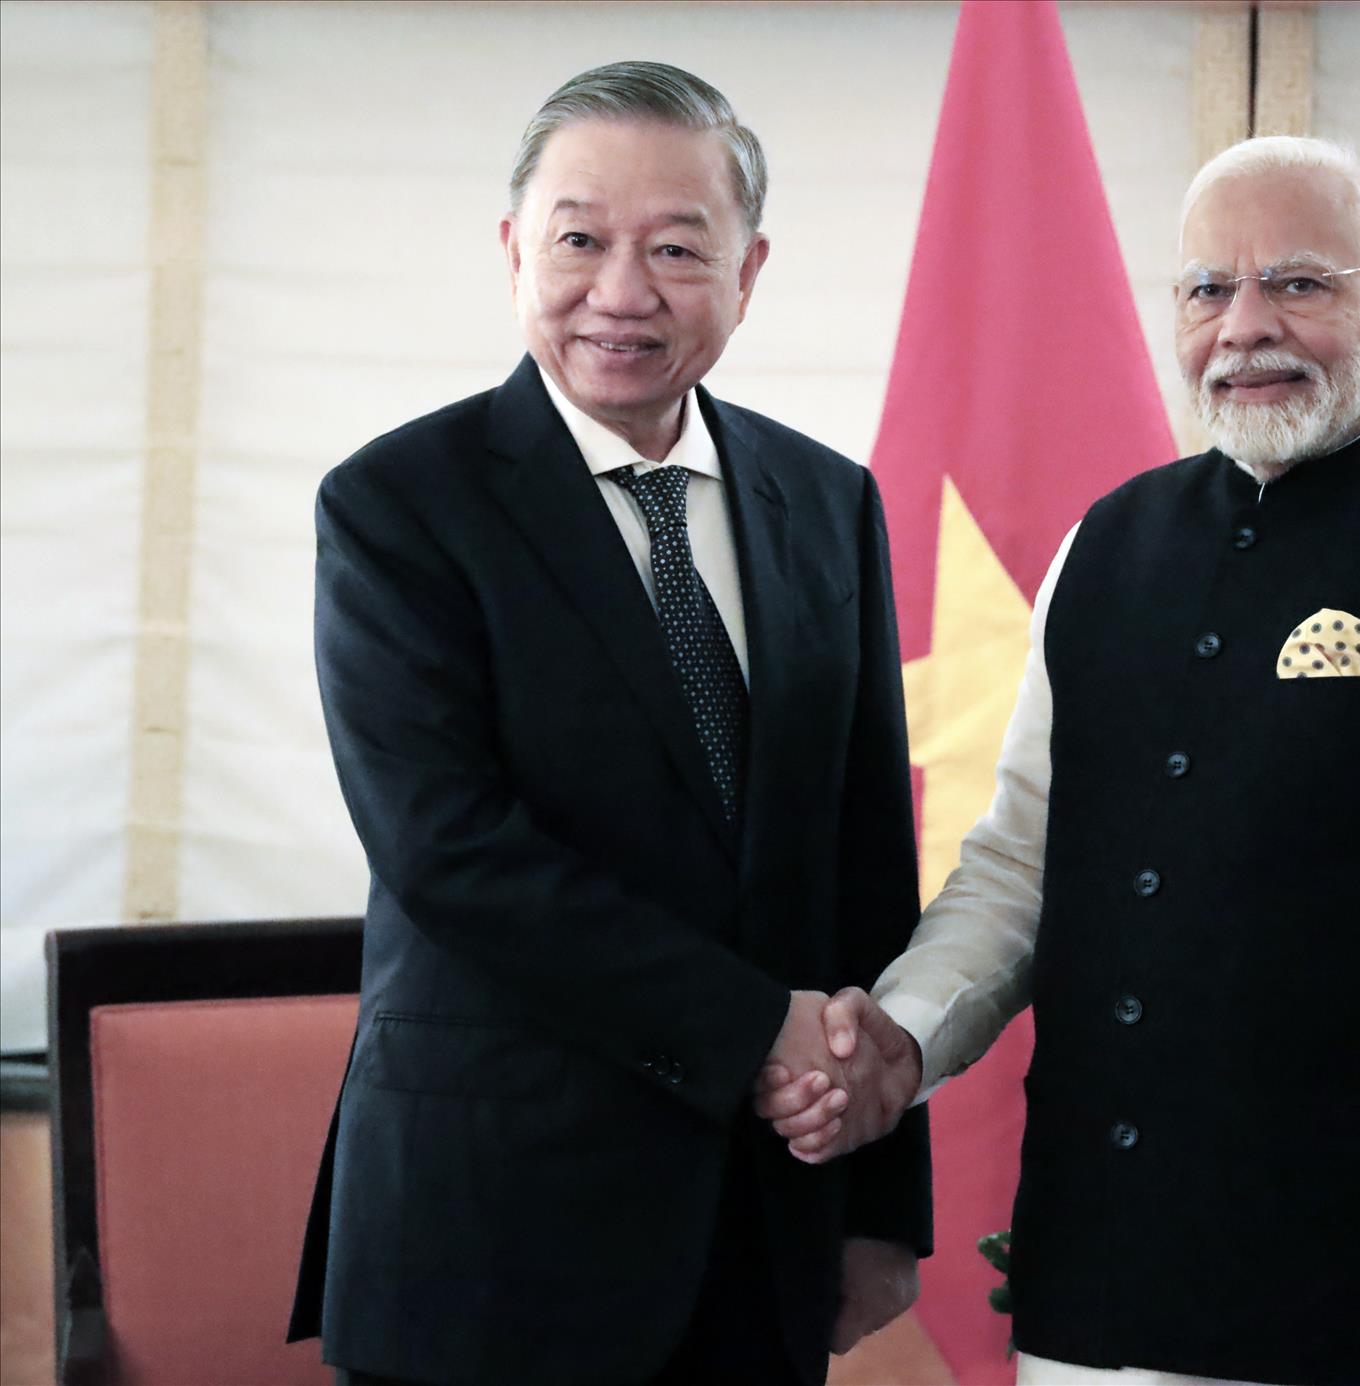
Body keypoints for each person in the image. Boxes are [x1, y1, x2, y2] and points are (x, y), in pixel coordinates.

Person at [757, 136, 1360, 1386]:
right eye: (1210, 289)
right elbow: (1020, 873)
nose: (1245, 327)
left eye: (1299, 283)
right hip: (1088, 1315)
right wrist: (905, 1038)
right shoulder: (1105, 548)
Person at [287, 61, 929, 1386]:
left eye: (677, 248)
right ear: (515, 250)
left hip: (761, 1231)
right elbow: (450, 851)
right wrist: (755, 1028)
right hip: (490, 1232)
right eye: (580, 240)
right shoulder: (401, 504)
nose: (622, 292)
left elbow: (867, 859)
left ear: (750, 272)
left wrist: (878, 1200)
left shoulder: (827, 502)